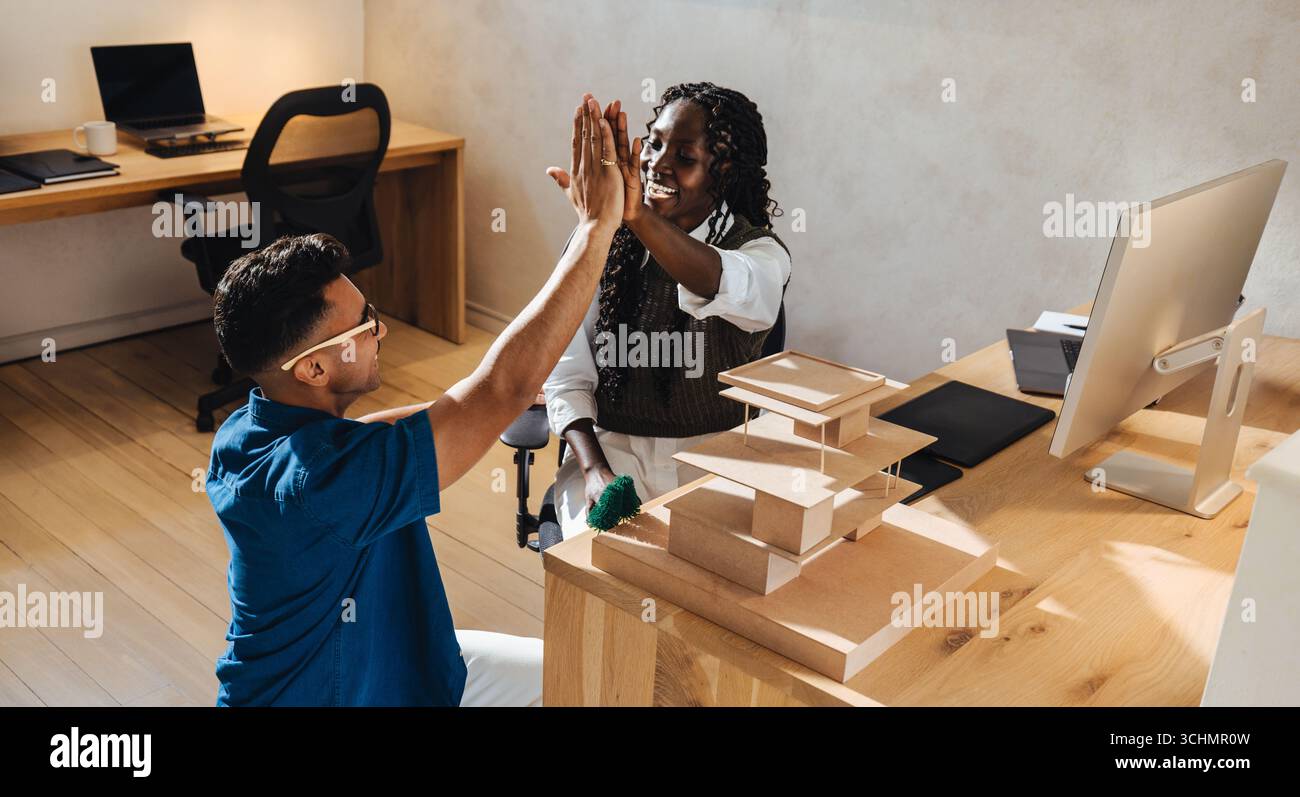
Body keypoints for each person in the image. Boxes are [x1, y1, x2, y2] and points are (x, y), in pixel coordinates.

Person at [205, 94, 623, 706]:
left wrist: (479, 409)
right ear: (314, 367)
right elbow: (500, 384)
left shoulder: (246, 434)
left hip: (386, 663)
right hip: (345, 695)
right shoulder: (328, 483)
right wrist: (596, 227)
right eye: (363, 325)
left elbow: (370, 432)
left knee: (570, 674)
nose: (381, 329)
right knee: (583, 687)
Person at [544, 82, 790, 537]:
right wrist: (595, 470)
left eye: (684, 156)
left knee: (711, 579)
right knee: (606, 571)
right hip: (612, 455)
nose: (657, 163)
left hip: (718, 461)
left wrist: (637, 216)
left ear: (724, 170)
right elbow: (566, 371)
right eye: (654, 144)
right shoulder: (600, 243)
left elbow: (719, 279)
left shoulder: (760, 254)